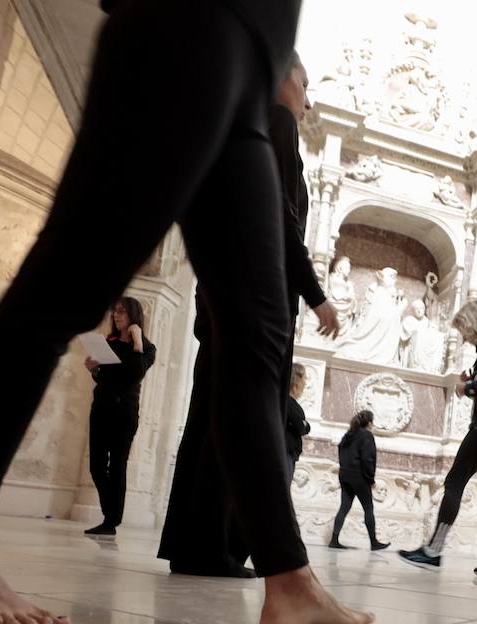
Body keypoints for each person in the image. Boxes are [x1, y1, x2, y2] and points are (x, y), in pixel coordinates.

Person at [0, 0, 375, 624]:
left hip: (248, 85)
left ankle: (290, 580)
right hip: (190, 29)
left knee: (257, 346)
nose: (309, 101)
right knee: (66, 287)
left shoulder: (277, 111)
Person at [156, 49, 339, 578]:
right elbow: (280, 221)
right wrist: (315, 294)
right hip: (256, 302)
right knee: (239, 424)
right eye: (305, 85)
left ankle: (197, 545)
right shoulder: (275, 121)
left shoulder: (247, 124)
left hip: (229, 299)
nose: (308, 101)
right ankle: (217, 547)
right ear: (283, 79)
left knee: (213, 421)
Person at [399, 300, 477, 580]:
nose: (465, 338)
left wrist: (468, 387)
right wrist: (475, 376)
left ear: (475, 324)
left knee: (455, 480)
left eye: (464, 331)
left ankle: (433, 551)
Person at [83, 297, 156, 536]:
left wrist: (136, 341)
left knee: (117, 467)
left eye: (122, 312)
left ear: (133, 315)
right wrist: (94, 369)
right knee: (96, 466)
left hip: (124, 412)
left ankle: (110, 521)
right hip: (102, 408)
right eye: (115, 312)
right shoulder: (108, 342)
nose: (116, 316)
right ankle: (112, 514)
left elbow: (135, 374)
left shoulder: (147, 348)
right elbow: (104, 378)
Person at [328, 410, 389, 551]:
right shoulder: (366, 435)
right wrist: (370, 478)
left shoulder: (347, 435)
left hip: (344, 475)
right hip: (359, 477)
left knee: (344, 507)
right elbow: (368, 459)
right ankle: (374, 542)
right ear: (369, 423)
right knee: (368, 508)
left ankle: (334, 539)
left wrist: (345, 468)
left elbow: (340, 451)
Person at [285, 362, 311, 481]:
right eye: (304, 378)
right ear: (297, 379)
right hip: (285, 452)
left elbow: (304, 426)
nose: (305, 383)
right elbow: (301, 427)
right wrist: (303, 424)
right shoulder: (288, 402)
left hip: (289, 453)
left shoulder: (290, 402)